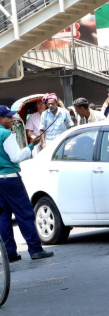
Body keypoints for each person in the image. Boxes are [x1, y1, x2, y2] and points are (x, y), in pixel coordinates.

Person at [0, 105, 54, 262]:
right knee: (24, 213)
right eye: (9, 117)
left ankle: (9, 253)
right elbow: (16, 157)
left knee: (3, 216)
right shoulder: (6, 134)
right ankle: (35, 249)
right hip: (10, 178)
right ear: (1, 119)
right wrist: (31, 146)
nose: (12, 120)